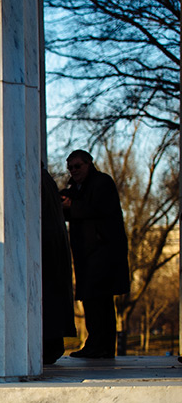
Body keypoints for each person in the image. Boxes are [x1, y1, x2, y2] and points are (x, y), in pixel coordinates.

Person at [60, 149, 130, 358]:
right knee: (94, 302)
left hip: (102, 254)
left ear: (89, 164)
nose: (73, 171)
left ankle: (100, 346)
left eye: (77, 166)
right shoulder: (79, 187)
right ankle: (99, 345)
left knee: (99, 302)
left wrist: (71, 205)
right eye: (70, 167)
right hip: (89, 255)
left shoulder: (101, 183)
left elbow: (97, 209)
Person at [41, 165, 75, 363]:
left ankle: (50, 345)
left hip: (46, 246)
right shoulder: (46, 180)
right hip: (52, 245)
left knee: (49, 297)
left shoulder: (37, 178)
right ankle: (52, 344)